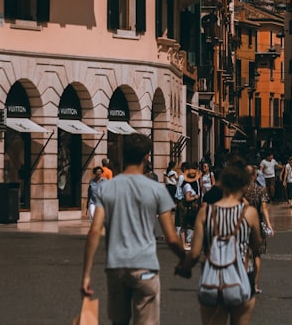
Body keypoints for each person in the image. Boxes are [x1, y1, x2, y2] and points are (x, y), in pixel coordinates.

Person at [81, 133, 185, 325]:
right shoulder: (157, 190)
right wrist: (185, 262)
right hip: (145, 267)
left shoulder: (107, 188)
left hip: (116, 267)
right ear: (147, 156)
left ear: (122, 154)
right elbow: (171, 237)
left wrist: (86, 275)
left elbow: (94, 231)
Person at [176, 157, 263, 325]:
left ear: (222, 184)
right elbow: (256, 244)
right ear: (245, 187)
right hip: (243, 276)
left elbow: (194, 253)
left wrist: (184, 268)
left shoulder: (206, 212)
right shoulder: (249, 213)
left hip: (213, 278)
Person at [242, 163, 272, 292]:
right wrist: (269, 225)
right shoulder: (261, 190)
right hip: (257, 225)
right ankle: (254, 284)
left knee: (244, 255)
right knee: (257, 255)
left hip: (242, 224)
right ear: (255, 176)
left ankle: (243, 283)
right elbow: (264, 209)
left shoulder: (240, 191)